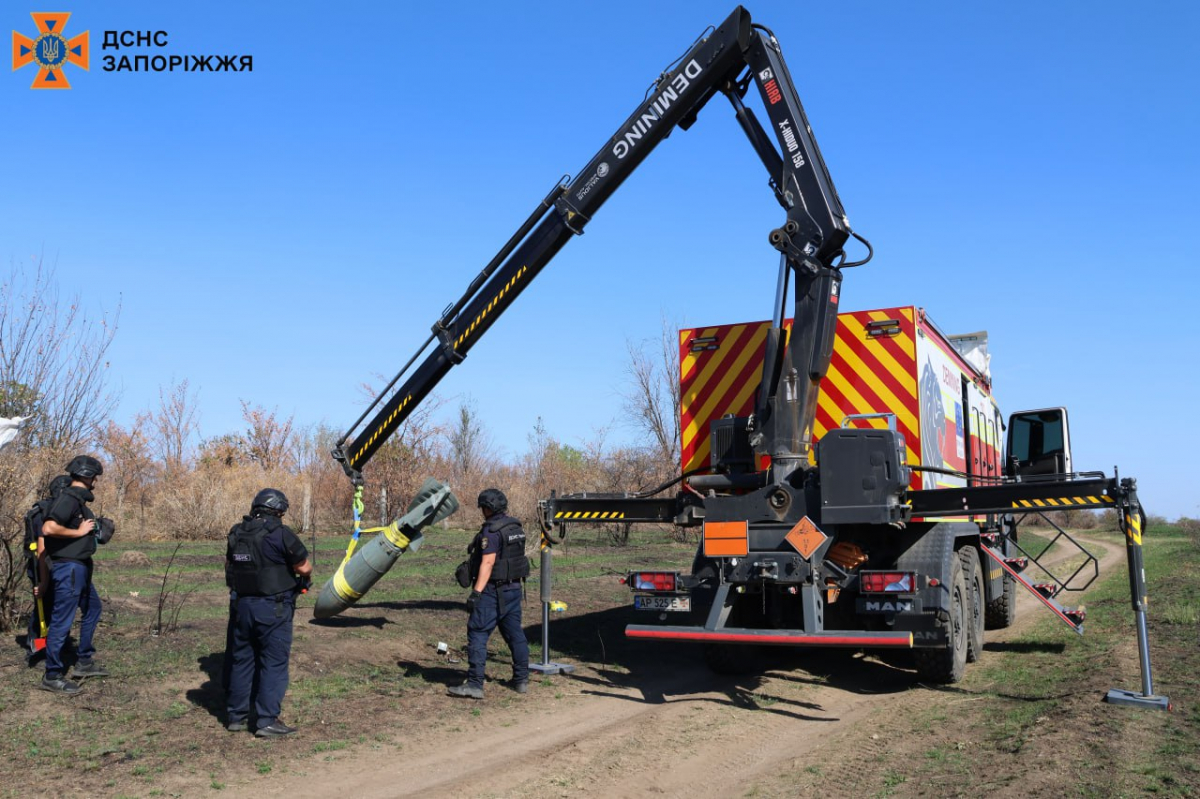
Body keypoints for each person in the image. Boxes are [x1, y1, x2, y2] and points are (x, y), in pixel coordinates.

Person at [224, 488, 312, 737]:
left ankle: (236, 716)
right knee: (273, 663)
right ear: (279, 510)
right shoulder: (280, 533)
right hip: (273, 607)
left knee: (241, 661)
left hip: (241, 606)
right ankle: (266, 721)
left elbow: (230, 566)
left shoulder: (237, 532)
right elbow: (304, 567)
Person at [447, 488, 531, 700]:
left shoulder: (491, 531)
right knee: (515, 635)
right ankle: (521, 680)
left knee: (477, 632)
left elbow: (488, 562)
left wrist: (476, 593)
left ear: (488, 508)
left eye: (483, 508)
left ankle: (475, 684)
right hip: (514, 589)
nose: (482, 512)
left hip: (493, 591)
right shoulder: (515, 527)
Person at [39, 456, 109, 695]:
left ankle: (84, 662)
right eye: (95, 477)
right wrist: (78, 531)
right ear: (88, 476)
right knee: (62, 620)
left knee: (93, 608)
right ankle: (52, 674)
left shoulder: (78, 501)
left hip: (80, 567)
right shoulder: (68, 497)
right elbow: (48, 528)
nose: (96, 482)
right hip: (68, 568)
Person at [24, 475, 71, 664]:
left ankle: (57, 642)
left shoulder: (44, 510)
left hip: (51, 563)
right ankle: (38, 644)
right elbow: (38, 545)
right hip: (41, 563)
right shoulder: (42, 512)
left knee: (54, 604)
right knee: (46, 604)